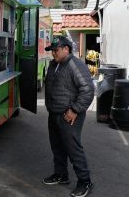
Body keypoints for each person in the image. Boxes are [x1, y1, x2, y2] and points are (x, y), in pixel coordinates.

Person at [42, 36, 95, 197]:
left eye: (56, 50)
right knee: (57, 147)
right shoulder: (54, 64)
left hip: (69, 115)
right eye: (51, 50)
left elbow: (88, 90)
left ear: (66, 49)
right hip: (54, 112)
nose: (53, 53)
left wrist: (75, 110)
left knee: (73, 149)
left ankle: (85, 181)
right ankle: (61, 175)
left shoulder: (74, 64)